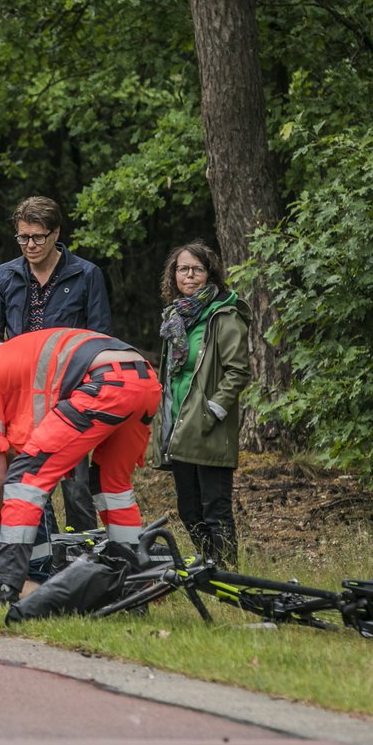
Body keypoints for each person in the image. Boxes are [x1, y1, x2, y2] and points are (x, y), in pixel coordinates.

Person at [0, 327, 161, 610]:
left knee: (24, 479)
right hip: (143, 378)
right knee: (111, 485)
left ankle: (1, 589)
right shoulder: (13, 359)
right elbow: (5, 455)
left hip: (104, 383)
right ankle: (134, 590)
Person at [0, 195, 112, 533]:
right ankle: (36, 556)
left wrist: (90, 391)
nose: (30, 245)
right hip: (20, 393)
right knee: (23, 478)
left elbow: (100, 338)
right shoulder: (5, 275)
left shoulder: (86, 274)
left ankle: (87, 560)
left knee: (76, 482)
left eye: (38, 237)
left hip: (71, 391)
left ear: (55, 234)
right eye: (23, 237)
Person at [147, 241, 251, 568]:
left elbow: (238, 370)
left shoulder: (224, 315)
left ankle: (228, 572)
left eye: (197, 269)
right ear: (173, 275)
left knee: (215, 507)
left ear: (210, 274)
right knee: (188, 509)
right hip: (178, 422)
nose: (189, 275)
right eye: (183, 269)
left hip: (207, 424)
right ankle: (209, 565)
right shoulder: (176, 317)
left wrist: (214, 410)